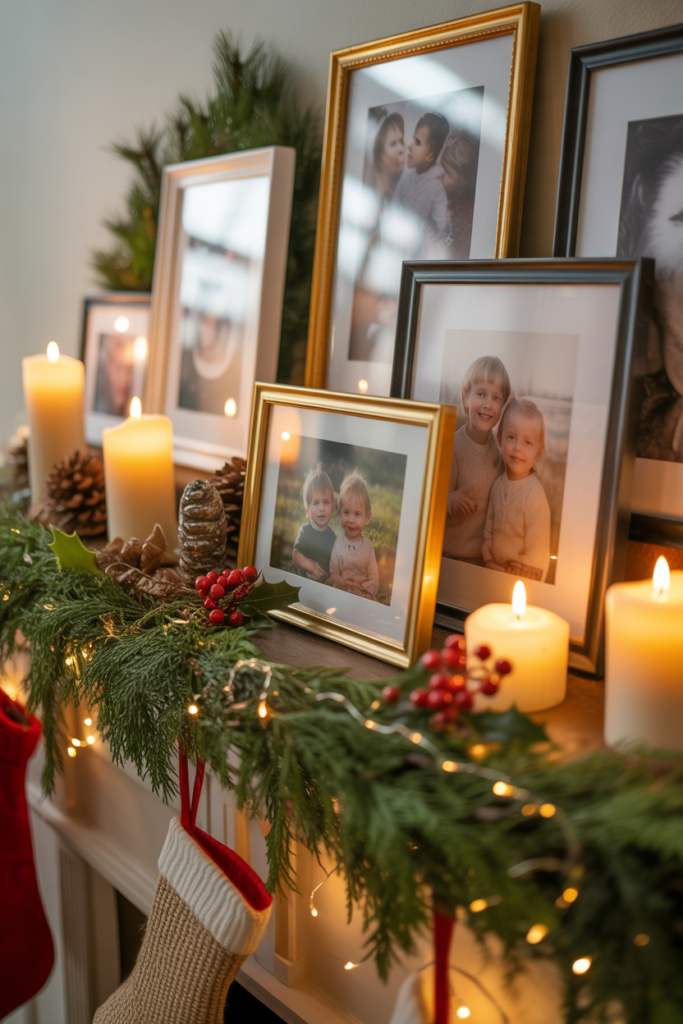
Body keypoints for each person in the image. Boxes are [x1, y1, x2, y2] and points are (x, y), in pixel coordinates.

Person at [444, 356, 510, 564]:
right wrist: (450, 499)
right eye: (481, 394)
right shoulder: (454, 447)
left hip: (481, 558)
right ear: (466, 398)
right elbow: (434, 498)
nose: (488, 405)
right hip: (449, 555)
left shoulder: (498, 453)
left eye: (496, 398)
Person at [482, 398, 551, 582]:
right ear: (500, 439)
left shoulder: (534, 496)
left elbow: (537, 553)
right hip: (493, 574)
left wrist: (507, 573)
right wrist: (487, 548)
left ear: (538, 451)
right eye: (511, 437)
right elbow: (489, 528)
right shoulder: (497, 486)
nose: (518, 448)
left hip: (522, 580)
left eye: (528, 442)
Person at [393, 112, 450, 238]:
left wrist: (430, 230)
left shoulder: (436, 188)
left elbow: (442, 227)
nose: (410, 145)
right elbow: (394, 205)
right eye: (413, 139)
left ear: (430, 155)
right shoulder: (406, 176)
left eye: (417, 142)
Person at [328, 473, 379, 599]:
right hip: (342, 594)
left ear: (367, 517)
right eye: (346, 512)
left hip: (362, 596)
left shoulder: (367, 548)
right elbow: (333, 572)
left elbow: (374, 578)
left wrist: (366, 588)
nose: (351, 520)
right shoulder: (338, 543)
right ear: (340, 511)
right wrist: (340, 581)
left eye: (357, 514)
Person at [292, 465, 337, 582]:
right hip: (304, 584)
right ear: (308, 511)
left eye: (326, 502)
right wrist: (310, 566)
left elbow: (335, 563)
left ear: (333, 508)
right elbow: (296, 556)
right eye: (316, 503)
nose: (321, 508)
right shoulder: (305, 531)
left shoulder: (332, 537)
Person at [440, 131, 480, 259]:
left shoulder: (464, 216)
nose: (439, 174)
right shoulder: (443, 196)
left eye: (446, 173)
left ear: (464, 182)